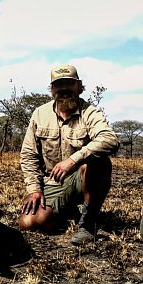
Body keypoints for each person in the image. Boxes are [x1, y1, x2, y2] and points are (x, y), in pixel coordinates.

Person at [19, 64, 119, 245]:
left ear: (79, 86)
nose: (64, 89)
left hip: (84, 178)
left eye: (69, 83)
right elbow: (28, 155)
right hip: (54, 180)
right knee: (30, 222)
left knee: (100, 161)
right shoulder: (39, 114)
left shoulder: (89, 112)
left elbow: (109, 139)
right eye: (58, 85)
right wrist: (34, 189)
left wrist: (73, 160)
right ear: (52, 90)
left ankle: (88, 225)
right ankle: (66, 209)